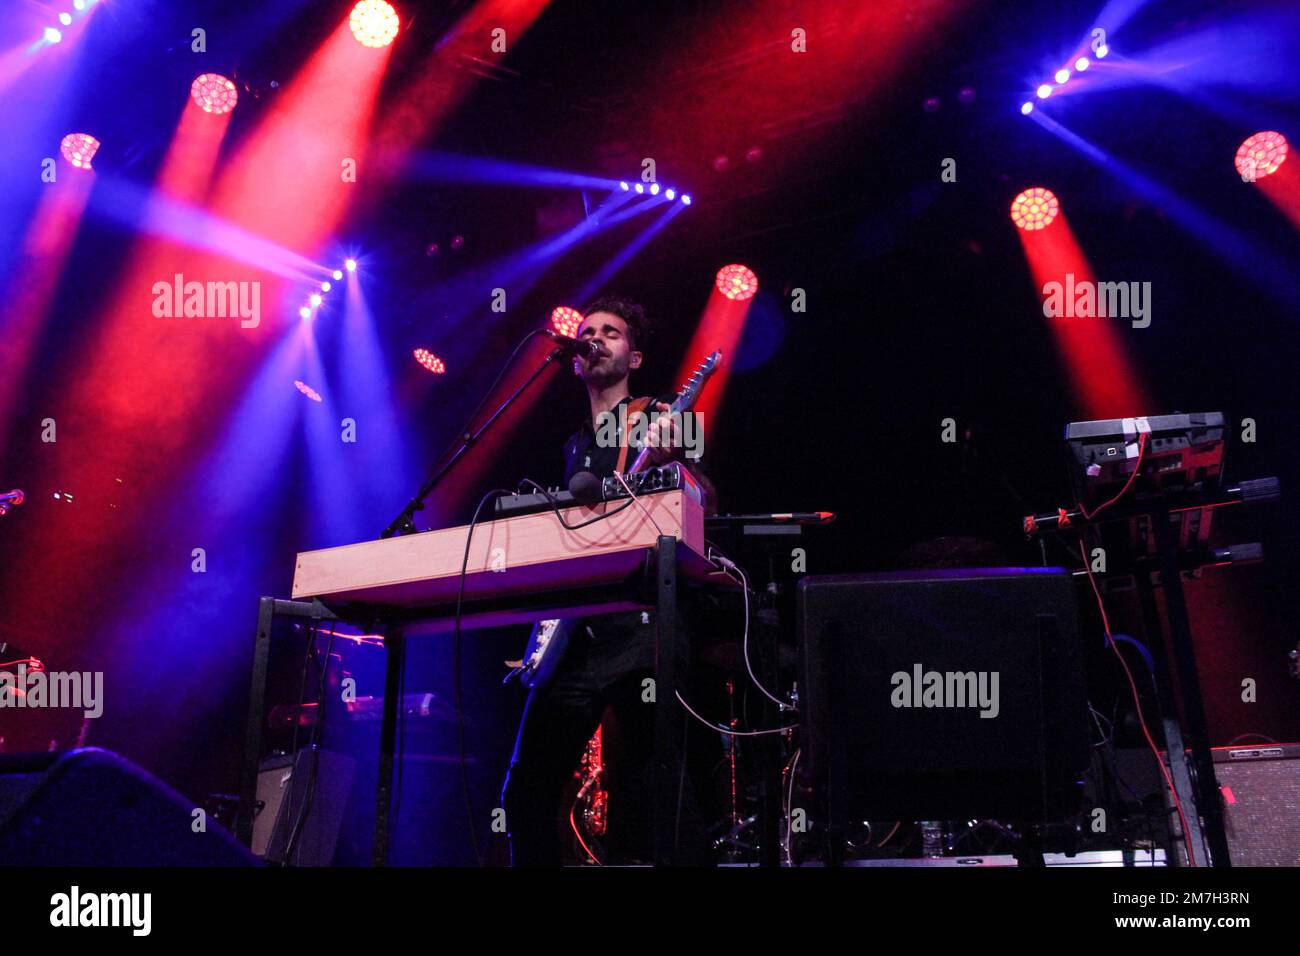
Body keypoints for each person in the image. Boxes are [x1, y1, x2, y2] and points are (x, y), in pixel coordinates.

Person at [500, 296, 718, 865]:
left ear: (635, 355)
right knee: (526, 791)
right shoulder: (573, 443)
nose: (594, 338)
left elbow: (709, 505)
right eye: (588, 332)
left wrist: (679, 462)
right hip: (579, 630)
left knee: (659, 787)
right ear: (574, 357)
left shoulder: (667, 411)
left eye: (611, 333)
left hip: (643, 624)